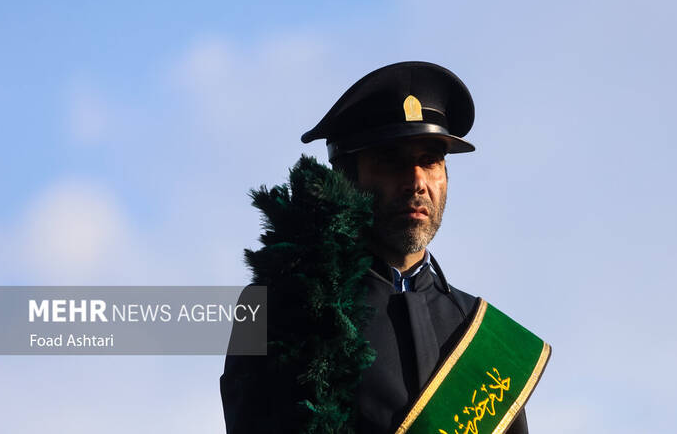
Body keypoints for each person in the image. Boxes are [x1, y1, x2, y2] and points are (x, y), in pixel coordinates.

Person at [221, 61, 549, 433]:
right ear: (347, 176)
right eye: (392, 161)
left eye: (430, 161)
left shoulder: (482, 334)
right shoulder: (274, 306)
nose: (417, 182)